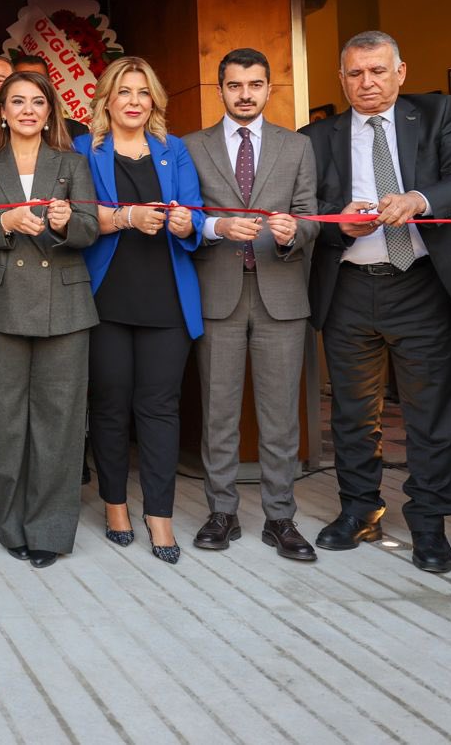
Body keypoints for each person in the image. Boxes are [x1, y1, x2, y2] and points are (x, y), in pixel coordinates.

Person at [299, 30, 451, 574]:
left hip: (421, 285)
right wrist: (339, 223)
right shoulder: (316, 137)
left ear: (400, 72)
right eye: (355, 74)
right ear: (341, 78)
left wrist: (420, 200)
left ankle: (429, 522)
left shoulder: (435, 114)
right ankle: (360, 509)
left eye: (378, 71)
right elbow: (306, 205)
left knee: (430, 414)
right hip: (350, 286)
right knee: (354, 414)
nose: (367, 83)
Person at [183, 49, 320, 561]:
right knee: (218, 412)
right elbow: (185, 216)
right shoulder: (191, 147)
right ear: (219, 89)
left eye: (255, 85)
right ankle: (221, 512)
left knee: (281, 416)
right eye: (235, 85)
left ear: (268, 89)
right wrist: (216, 226)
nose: (245, 94)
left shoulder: (298, 146)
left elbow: (311, 215)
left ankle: (280, 518)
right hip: (217, 292)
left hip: (281, 294)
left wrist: (293, 232)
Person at [0, 71, 97, 567]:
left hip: (64, 305)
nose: (26, 110)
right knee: (6, 423)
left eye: (36, 102)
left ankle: (50, 530)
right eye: (16, 101)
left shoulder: (73, 163)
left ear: (49, 112)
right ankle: (12, 523)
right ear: (0, 111)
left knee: (59, 424)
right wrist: (4, 221)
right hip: (0, 307)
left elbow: (89, 227)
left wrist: (66, 224)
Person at [77, 56, 204, 564]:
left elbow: (196, 212)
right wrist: (124, 217)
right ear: (106, 99)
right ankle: (114, 507)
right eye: (124, 92)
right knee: (109, 409)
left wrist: (184, 224)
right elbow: (78, 217)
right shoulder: (85, 150)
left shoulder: (175, 150)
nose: (133, 101)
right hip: (105, 297)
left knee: (160, 409)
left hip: (166, 299)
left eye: (142, 92)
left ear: (154, 100)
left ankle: (160, 515)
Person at [10, 55, 90, 140]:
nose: (31, 86)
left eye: (39, 80)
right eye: (24, 80)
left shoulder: (76, 132)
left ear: (49, 84)